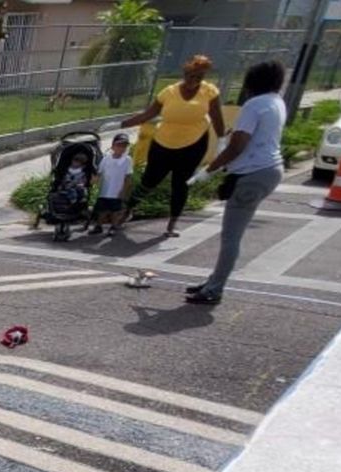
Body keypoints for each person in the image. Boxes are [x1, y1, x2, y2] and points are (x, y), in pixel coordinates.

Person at [184, 61, 287, 305]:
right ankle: (213, 281)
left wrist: (208, 171)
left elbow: (238, 145)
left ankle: (214, 289)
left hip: (253, 173)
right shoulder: (277, 102)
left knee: (231, 236)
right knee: (233, 234)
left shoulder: (254, 105)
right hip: (269, 169)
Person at [109, 55, 226, 237]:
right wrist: (120, 125)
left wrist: (222, 143)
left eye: (198, 78)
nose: (193, 81)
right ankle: (127, 211)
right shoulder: (169, 92)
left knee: (181, 184)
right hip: (163, 143)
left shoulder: (209, 92)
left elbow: (218, 119)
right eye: (190, 76)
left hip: (193, 145)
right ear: (184, 74)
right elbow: (147, 115)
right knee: (150, 180)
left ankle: (172, 224)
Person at [90, 133, 134, 236]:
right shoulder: (106, 158)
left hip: (117, 190)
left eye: (124, 146)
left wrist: (123, 191)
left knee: (115, 210)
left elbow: (128, 177)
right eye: (119, 145)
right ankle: (98, 226)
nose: (121, 148)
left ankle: (113, 226)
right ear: (113, 146)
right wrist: (94, 180)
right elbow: (100, 172)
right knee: (102, 210)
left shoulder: (127, 160)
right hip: (104, 190)